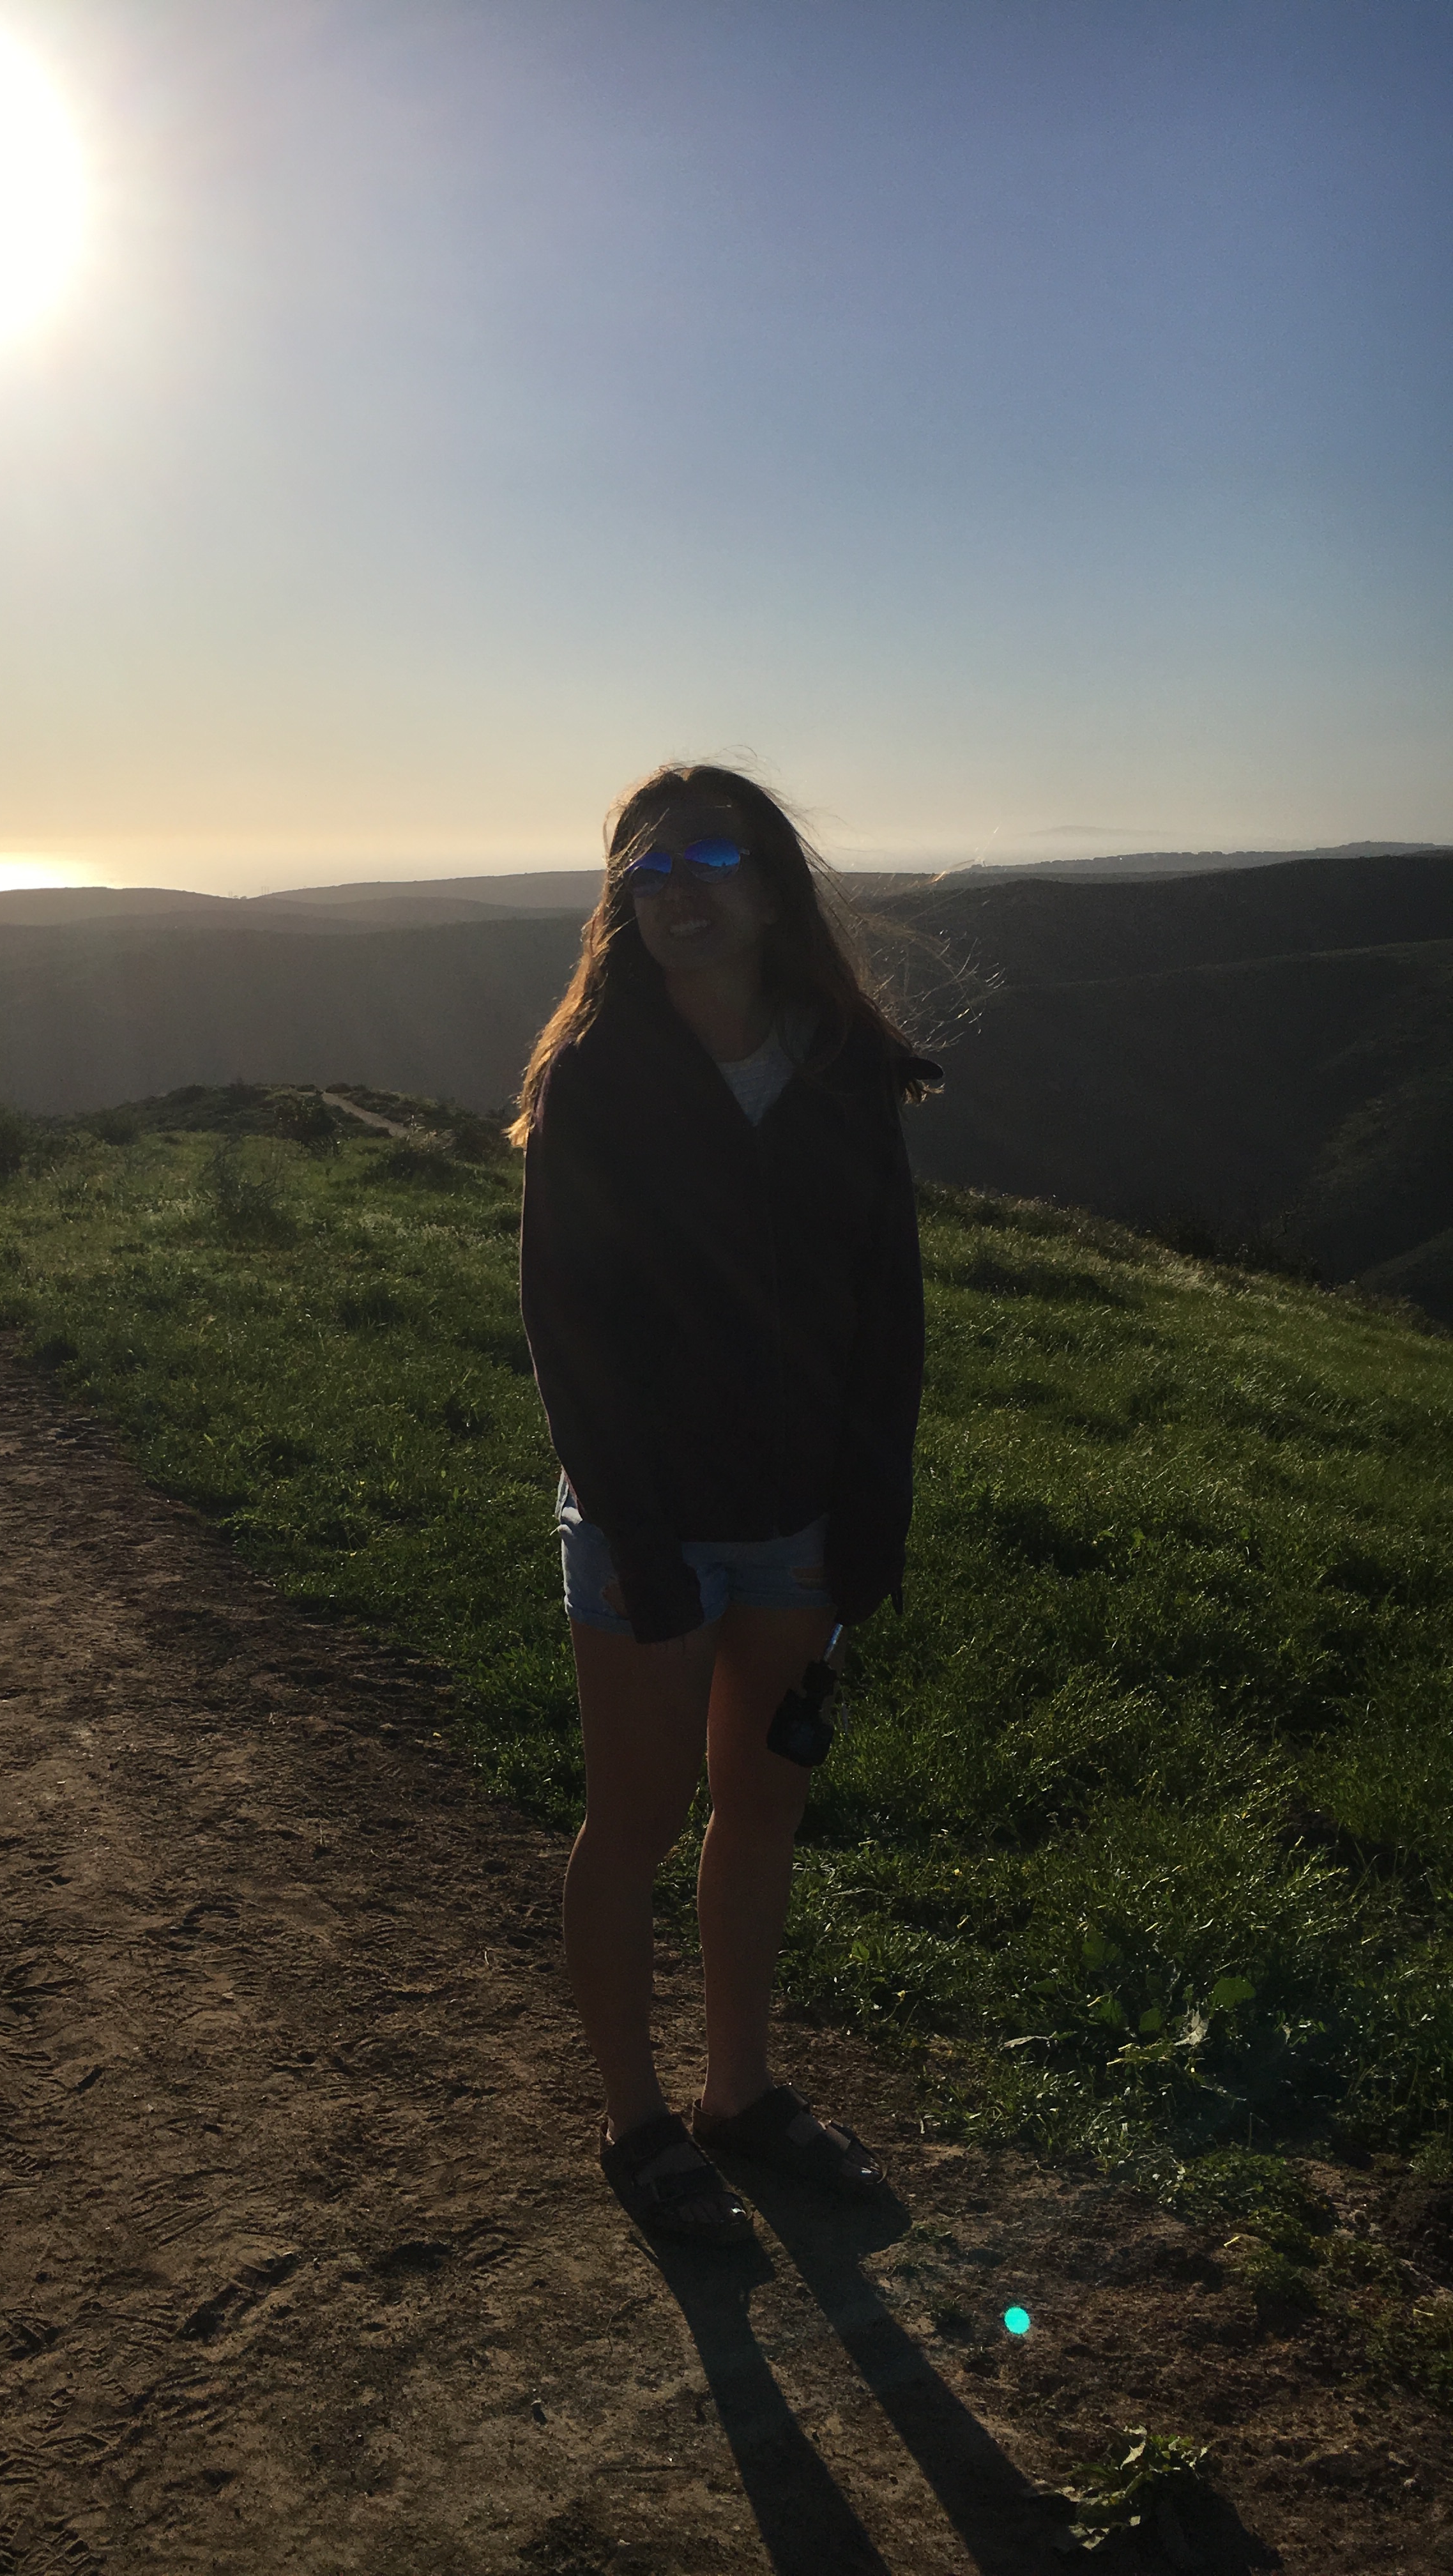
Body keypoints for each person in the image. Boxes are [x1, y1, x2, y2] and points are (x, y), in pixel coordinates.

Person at [512, 762, 936, 2244]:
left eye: (710, 859)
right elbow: (565, 1325)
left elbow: (888, 1311)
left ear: (770, 885)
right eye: (649, 868)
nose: (679, 890)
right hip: (652, 1524)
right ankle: (638, 2121)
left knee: (760, 1814)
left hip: (800, 1525)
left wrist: (870, 1514)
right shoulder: (597, 1078)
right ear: (621, 901)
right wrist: (637, 1537)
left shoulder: (842, 1068)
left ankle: (738, 2094)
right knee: (634, 1822)